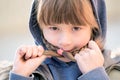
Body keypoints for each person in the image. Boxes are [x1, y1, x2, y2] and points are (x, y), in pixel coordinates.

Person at [9, 0, 120, 80]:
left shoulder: (113, 69)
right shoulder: (32, 71)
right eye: (54, 28)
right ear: (39, 28)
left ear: (95, 29)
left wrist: (95, 75)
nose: (65, 41)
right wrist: (19, 75)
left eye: (76, 28)